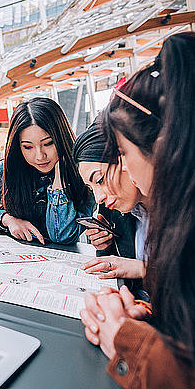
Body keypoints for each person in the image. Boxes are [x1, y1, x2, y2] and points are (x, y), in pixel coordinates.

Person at [80, 32, 195, 388]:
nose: (127, 173)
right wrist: (148, 314)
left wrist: (127, 341)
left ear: (168, 150)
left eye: (122, 154)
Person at [0, 97, 92, 244]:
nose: (40, 156)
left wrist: (59, 184)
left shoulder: (83, 175)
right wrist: (8, 220)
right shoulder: (3, 171)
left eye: (48, 143)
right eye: (28, 147)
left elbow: (63, 235)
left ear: (61, 138)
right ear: (18, 147)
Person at [72, 123, 148, 297]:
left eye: (99, 180)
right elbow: (121, 267)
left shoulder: (190, 208)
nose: (99, 197)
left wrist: (142, 268)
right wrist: (106, 246)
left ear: (126, 158)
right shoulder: (114, 208)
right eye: (91, 189)